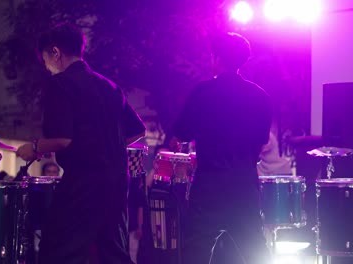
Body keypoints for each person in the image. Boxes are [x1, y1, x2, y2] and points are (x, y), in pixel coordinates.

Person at [16, 23, 145, 264]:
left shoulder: (61, 83)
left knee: (57, 248)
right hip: (117, 183)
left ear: (55, 52)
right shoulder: (110, 87)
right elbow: (137, 130)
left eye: (45, 59)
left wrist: (33, 148)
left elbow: (63, 139)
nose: (46, 67)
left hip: (83, 183)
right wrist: (104, 143)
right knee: (113, 252)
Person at [171, 32, 273, 264]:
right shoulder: (261, 97)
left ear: (216, 58)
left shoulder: (203, 92)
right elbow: (261, 141)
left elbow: (182, 132)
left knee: (196, 250)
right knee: (255, 250)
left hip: (209, 187)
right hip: (244, 186)